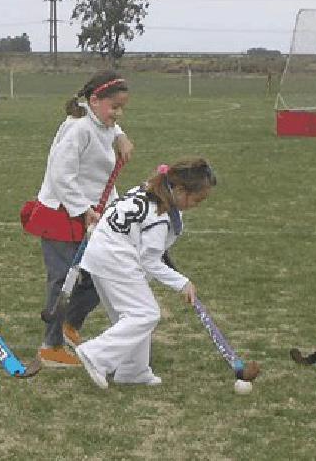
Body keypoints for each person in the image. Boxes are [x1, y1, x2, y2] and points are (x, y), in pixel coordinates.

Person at [21, 70, 135, 367]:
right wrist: (84, 211)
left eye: (122, 108)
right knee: (63, 281)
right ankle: (51, 347)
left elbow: (109, 128)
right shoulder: (79, 129)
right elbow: (61, 176)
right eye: (115, 107)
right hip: (62, 212)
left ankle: (69, 324)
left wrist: (121, 136)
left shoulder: (101, 122)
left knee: (99, 276)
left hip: (91, 213)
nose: (118, 114)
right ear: (94, 101)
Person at [73, 158, 218, 388]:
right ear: (179, 190)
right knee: (146, 314)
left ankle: (134, 370)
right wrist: (182, 283)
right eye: (196, 199)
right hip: (115, 258)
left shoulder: (152, 188)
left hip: (102, 254)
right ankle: (95, 355)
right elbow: (149, 260)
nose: (196, 205)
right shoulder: (159, 217)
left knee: (133, 315)